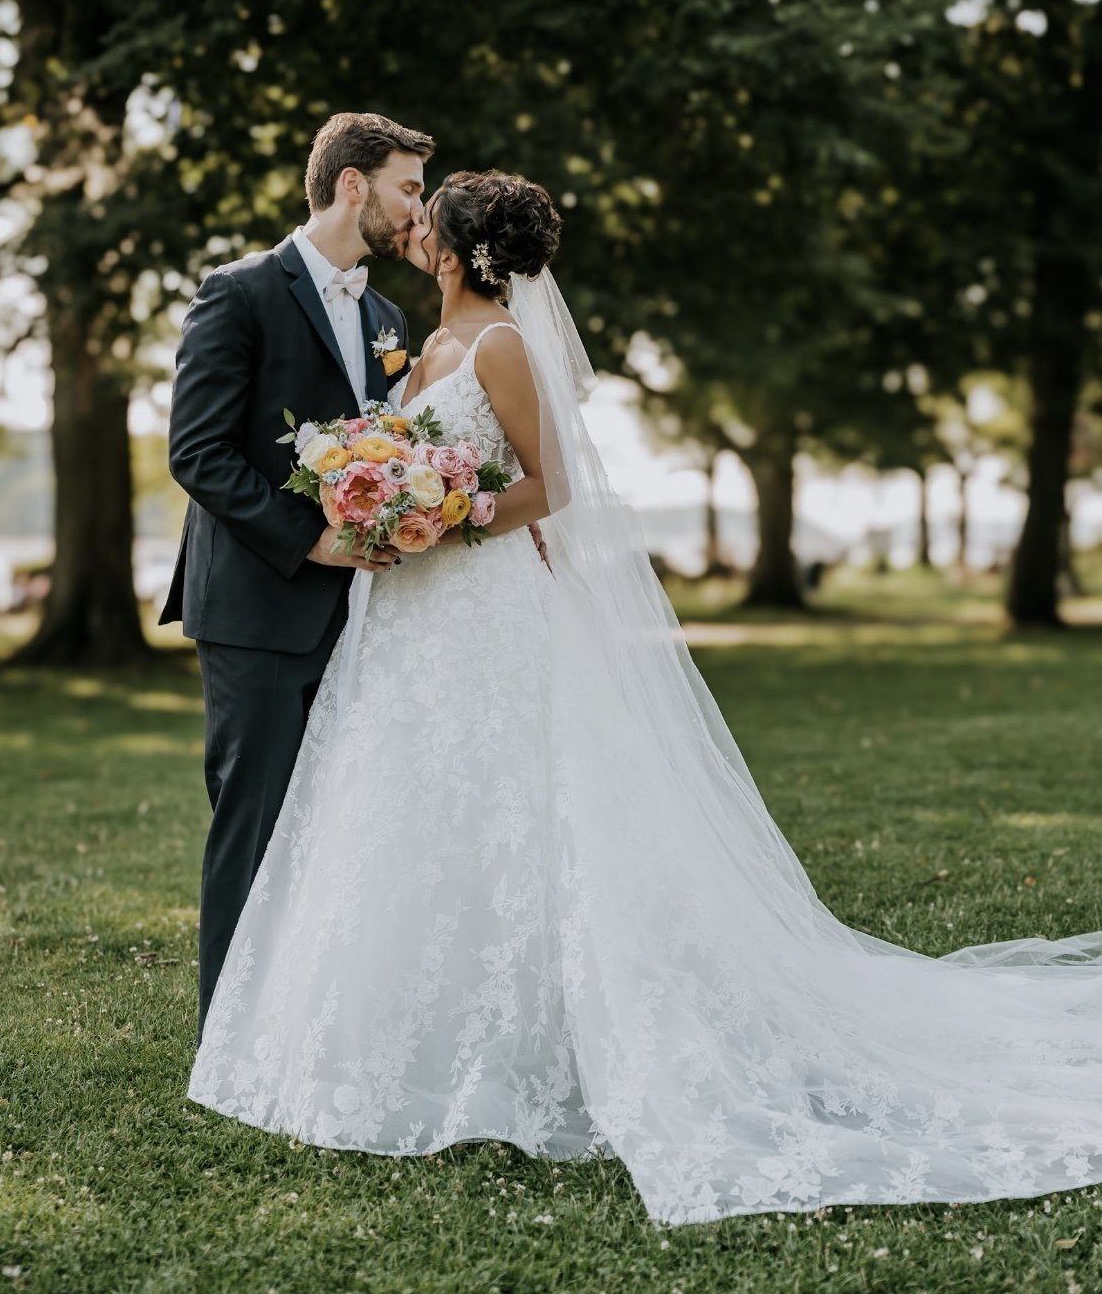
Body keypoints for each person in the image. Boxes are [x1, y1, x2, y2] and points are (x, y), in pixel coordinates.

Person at [187, 169, 1102, 1227]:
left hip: (478, 605)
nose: (413, 219)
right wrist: (388, 499)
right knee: (409, 814)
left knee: (513, 809)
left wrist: (444, 517)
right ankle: (390, 1037)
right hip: (406, 621)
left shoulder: (500, 349)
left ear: (457, 248)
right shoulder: (415, 341)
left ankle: (531, 1041)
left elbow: (552, 483)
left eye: (428, 215)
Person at [160, 111, 432, 1040]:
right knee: (256, 816)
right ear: (353, 184)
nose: (417, 208)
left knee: (332, 815)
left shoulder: (391, 318)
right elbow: (197, 452)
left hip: (362, 609)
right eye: (407, 187)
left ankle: (303, 1022)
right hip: (256, 604)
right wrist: (309, 539)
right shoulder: (236, 292)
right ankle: (229, 1035)